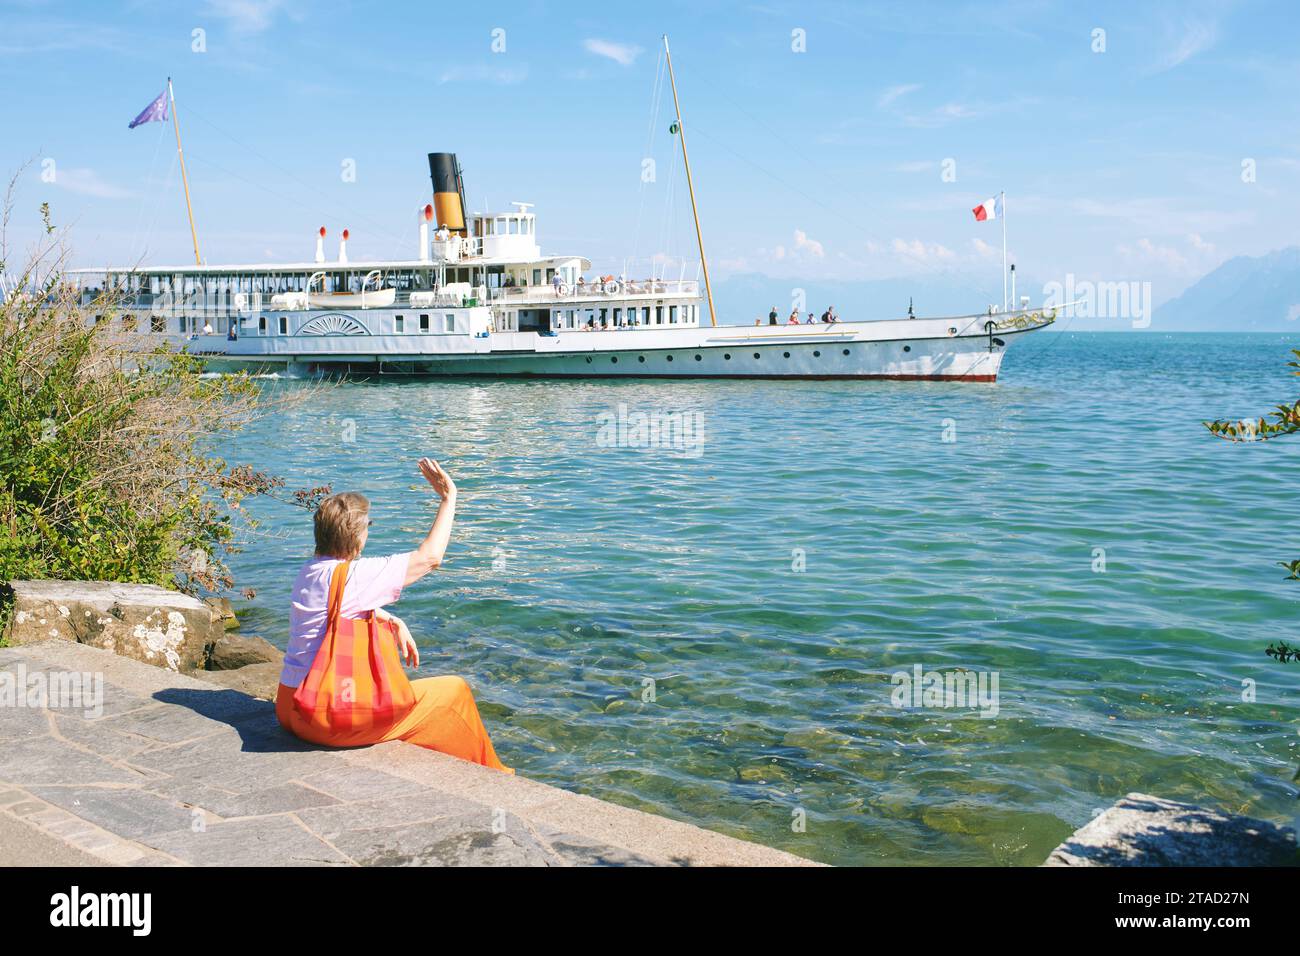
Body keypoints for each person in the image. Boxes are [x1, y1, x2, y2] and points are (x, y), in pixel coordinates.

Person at [276, 459, 510, 772]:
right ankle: (494, 776)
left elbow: (330, 609)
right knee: (454, 693)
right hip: (323, 717)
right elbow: (430, 557)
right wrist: (449, 498)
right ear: (358, 535)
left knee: (414, 706)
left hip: (290, 707)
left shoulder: (310, 570)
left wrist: (391, 619)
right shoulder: (355, 576)